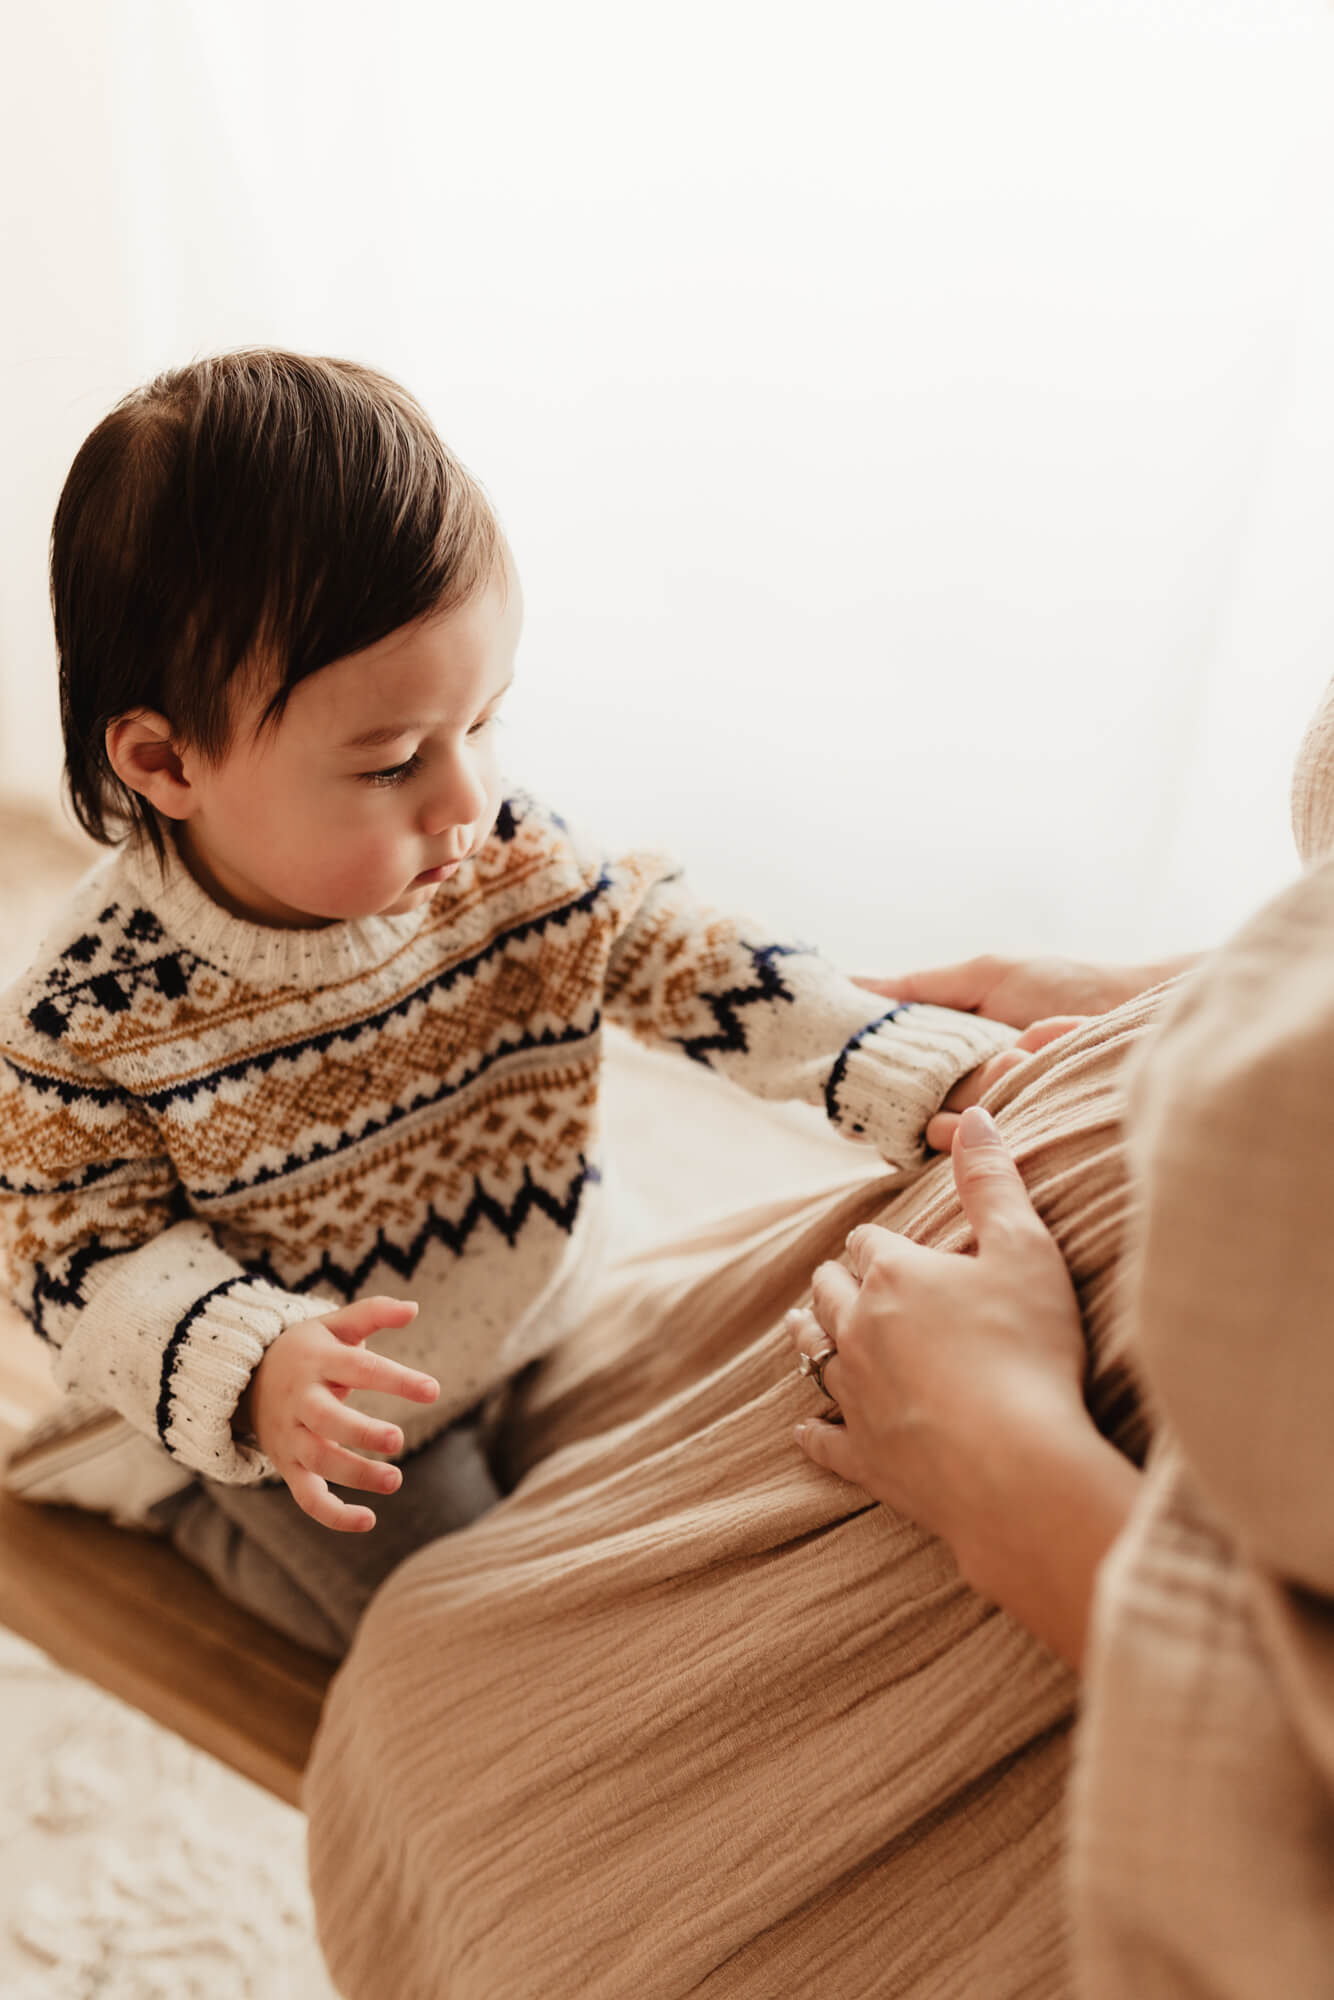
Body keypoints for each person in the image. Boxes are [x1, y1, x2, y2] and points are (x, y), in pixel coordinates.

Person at [0, 346, 1044, 1660]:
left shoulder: (495, 858)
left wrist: (882, 1055)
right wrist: (253, 1371)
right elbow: (74, 1257)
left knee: (716, 1475)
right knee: (484, 1634)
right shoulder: (82, 1028)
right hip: (336, 1414)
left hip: (535, 1304)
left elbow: (674, 952)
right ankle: (199, 1516)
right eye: (389, 763)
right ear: (167, 762)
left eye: (484, 723)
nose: (465, 799)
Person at [299, 680, 1334, 1999]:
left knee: (491, 1795)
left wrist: (1020, 1481)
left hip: (1085, 1674)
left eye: (488, 724)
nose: (468, 796)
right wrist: (1203, 991)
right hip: (881, 1355)